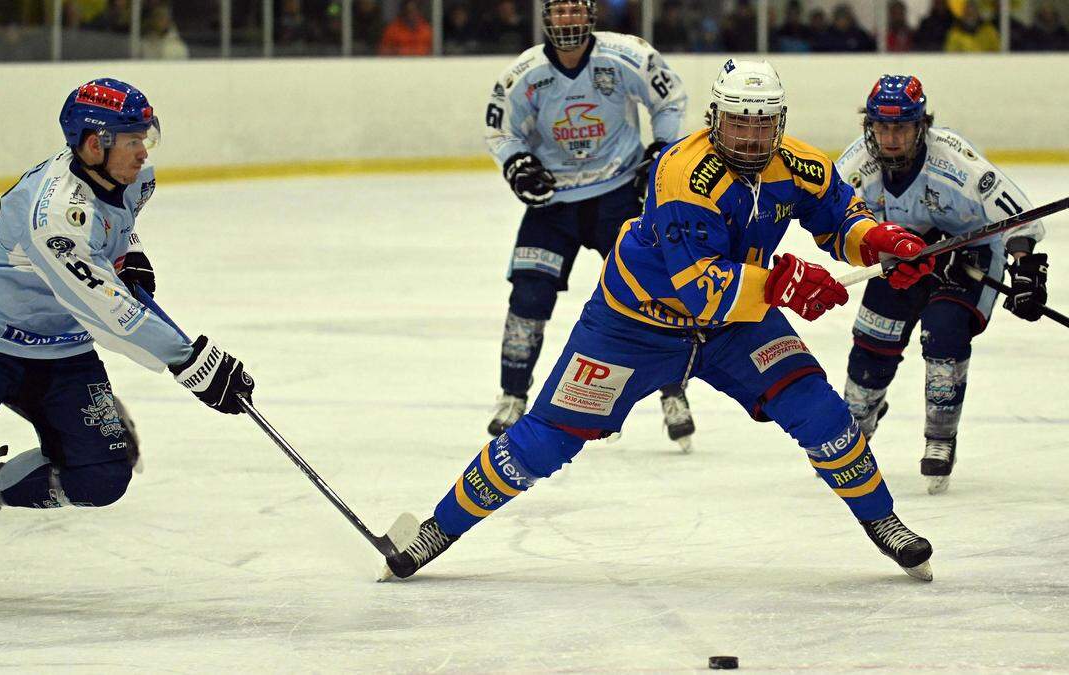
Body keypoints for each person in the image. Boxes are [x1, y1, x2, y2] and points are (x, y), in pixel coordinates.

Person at [385, 60, 937, 583]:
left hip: (735, 327)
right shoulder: (682, 173)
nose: (749, 138)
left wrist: (884, 241)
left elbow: (840, 216)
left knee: (819, 410)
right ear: (713, 119)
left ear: (780, 123)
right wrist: (780, 286)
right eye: (738, 124)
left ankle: (881, 519)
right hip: (632, 326)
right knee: (546, 440)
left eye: (762, 124)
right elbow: (698, 287)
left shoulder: (798, 164)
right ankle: (436, 530)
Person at [0, 79, 257, 602]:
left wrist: (128, 253)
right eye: (132, 140)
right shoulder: (55, 216)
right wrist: (190, 362)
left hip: (58, 344)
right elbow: (105, 308)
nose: (144, 152)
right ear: (94, 144)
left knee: (101, 477)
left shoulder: (135, 180)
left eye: (147, 138)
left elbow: (116, 230)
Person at [484, 0, 693, 449]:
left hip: (619, 196)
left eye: (575, 10)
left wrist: (661, 150)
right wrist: (516, 162)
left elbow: (669, 97)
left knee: (651, 291)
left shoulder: (627, 56)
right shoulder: (526, 73)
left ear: (591, 15)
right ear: (546, 19)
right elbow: (501, 127)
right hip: (553, 204)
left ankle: (673, 392)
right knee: (529, 294)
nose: (568, 20)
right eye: (559, 11)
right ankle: (512, 394)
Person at [837, 75, 1046, 495]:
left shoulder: (954, 160)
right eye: (882, 127)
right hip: (898, 258)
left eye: (901, 128)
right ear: (870, 127)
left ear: (921, 126)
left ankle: (940, 436)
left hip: (965, 258)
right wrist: (869, 248)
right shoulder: (858, 165)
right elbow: (834, 221)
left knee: (944, 332)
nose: (891, 138)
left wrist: (1025, 270)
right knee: (871, 345)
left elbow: (1017, 214)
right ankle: (857, 423)